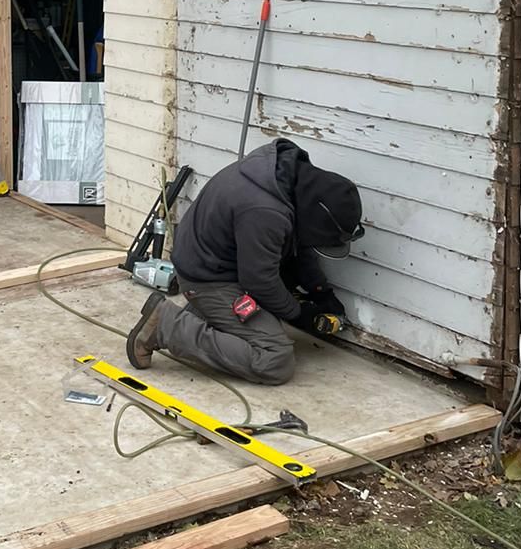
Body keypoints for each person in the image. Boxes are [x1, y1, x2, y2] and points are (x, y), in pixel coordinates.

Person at [126, 138, 363, 385]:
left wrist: (319, 290)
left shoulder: (285, 177)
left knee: (282, 285)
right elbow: (259, 281)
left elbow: (299, 246)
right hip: (208, 279)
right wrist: (298, 313)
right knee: (275, 358)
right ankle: (167, 326)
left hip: (224, 261)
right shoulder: (265, 211)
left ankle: (201, 319)